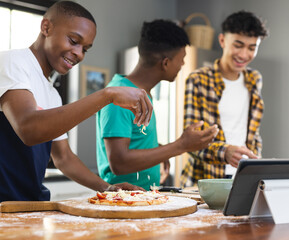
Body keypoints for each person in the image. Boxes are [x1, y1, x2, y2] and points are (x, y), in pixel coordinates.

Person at [0, 1, 152, 212]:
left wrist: (108, 188)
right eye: (74, 41)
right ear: (46, 28)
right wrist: (107, 95)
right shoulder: (11, 62)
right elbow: (28, 129)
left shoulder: (51, 94)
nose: (79, 53)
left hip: (29, 206)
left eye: (85, 48)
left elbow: (63, 157)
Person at [96, 19, 219, 190]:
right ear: (166, 63)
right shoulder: (119, 96)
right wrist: (180, 145)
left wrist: (158, 150)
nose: (183, 65)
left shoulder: (143, 94)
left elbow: (134, 141)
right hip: (124, 202)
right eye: (181, 59)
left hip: (145, 197)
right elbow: (119, 163)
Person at [180, 10, 269, 187]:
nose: (244, 55)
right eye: (238, 45)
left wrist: (257, 160)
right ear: (222, 40)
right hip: (205, 181)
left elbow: (252, 133)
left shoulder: (254, 79)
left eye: (252, 48)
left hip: (244, 178)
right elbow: (190, 142)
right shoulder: (198, 79)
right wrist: (224, 152)